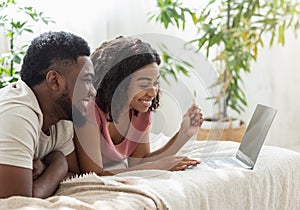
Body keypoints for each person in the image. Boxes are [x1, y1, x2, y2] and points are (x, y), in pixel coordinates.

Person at [74, 36, 204, 176]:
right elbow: (94, 175)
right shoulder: (89, 111)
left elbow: (139, 162)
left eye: (155, 83)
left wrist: (183, 134)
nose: (153, 92)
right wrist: (154, 167)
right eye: (144, 84)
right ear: (117, 83)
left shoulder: (139, 111)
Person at [0, 31, 96, 198]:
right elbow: (17, 202)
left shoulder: (61, 117)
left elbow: (74, 176)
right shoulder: (17, 114)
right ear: (54, 81)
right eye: (86, 80)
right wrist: (59, 164)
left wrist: (53, 165)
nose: (93, 92)